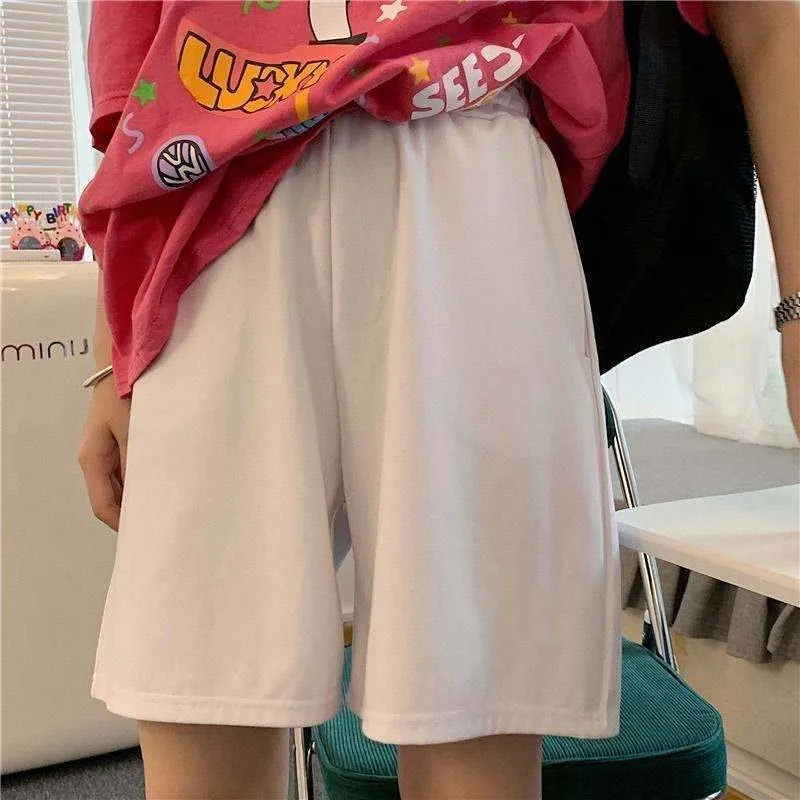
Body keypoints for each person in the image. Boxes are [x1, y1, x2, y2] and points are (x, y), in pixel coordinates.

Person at [77, 1, 799, 798]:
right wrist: (114, 352)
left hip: (474, 152)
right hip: (207, 199)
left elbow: (767, 22)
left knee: (468, 708)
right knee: (202, 684)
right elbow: (133, 84)